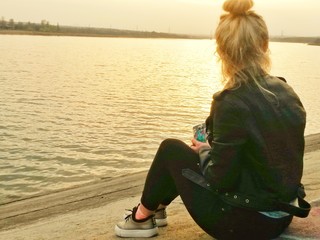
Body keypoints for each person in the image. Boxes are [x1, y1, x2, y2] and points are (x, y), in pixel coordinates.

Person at [114, 0, 310, 239]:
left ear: (221, 50)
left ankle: (141, 217)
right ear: (265, 44)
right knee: (192, 150)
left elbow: (221, 179)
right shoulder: (286, 90)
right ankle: (158, 208)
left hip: (247, 224)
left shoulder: (230, 101)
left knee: (171, 150)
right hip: (283, 213)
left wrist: (205, 150)